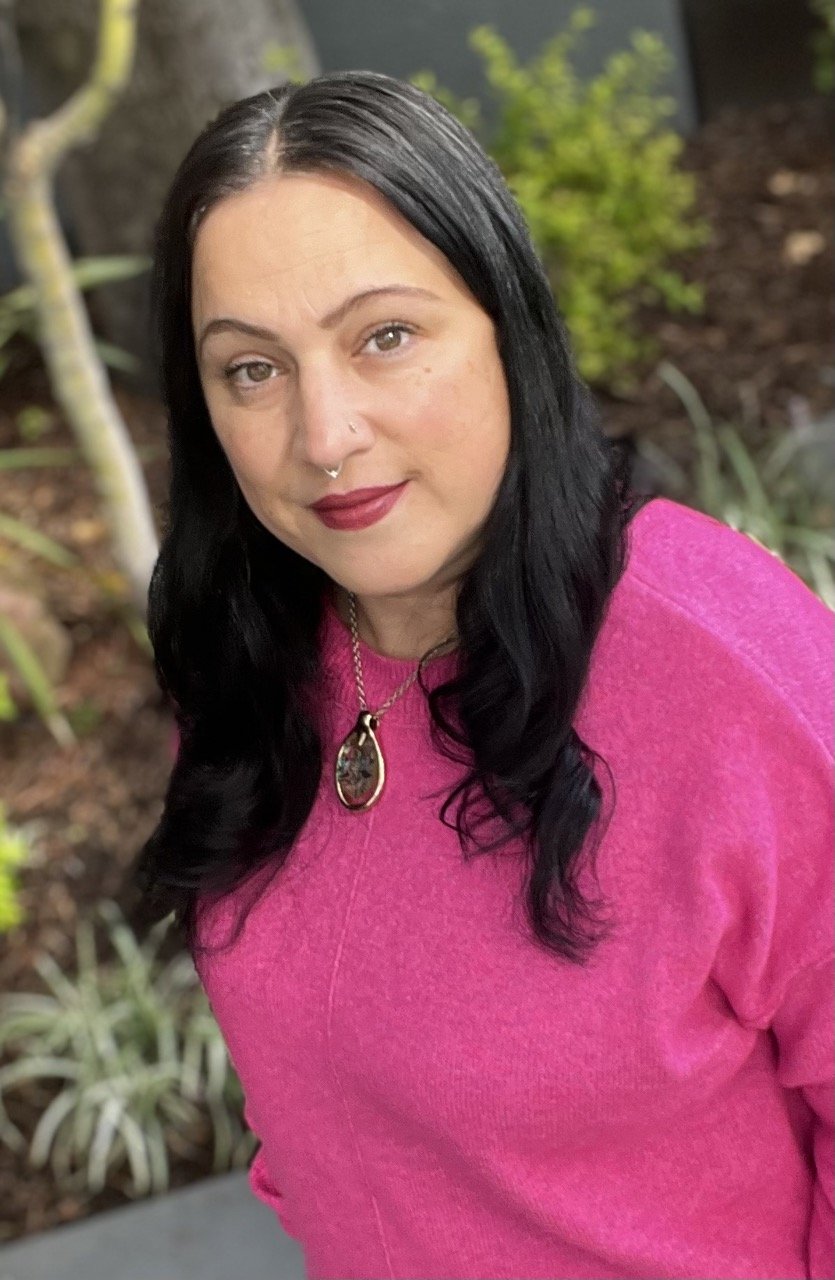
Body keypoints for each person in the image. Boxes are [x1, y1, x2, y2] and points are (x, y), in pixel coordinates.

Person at [130, 71, 834, 1280]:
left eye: (384, 336)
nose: (326, 432)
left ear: (506, 325)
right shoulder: (251, 650)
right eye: (252, 368)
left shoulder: (718, 662)